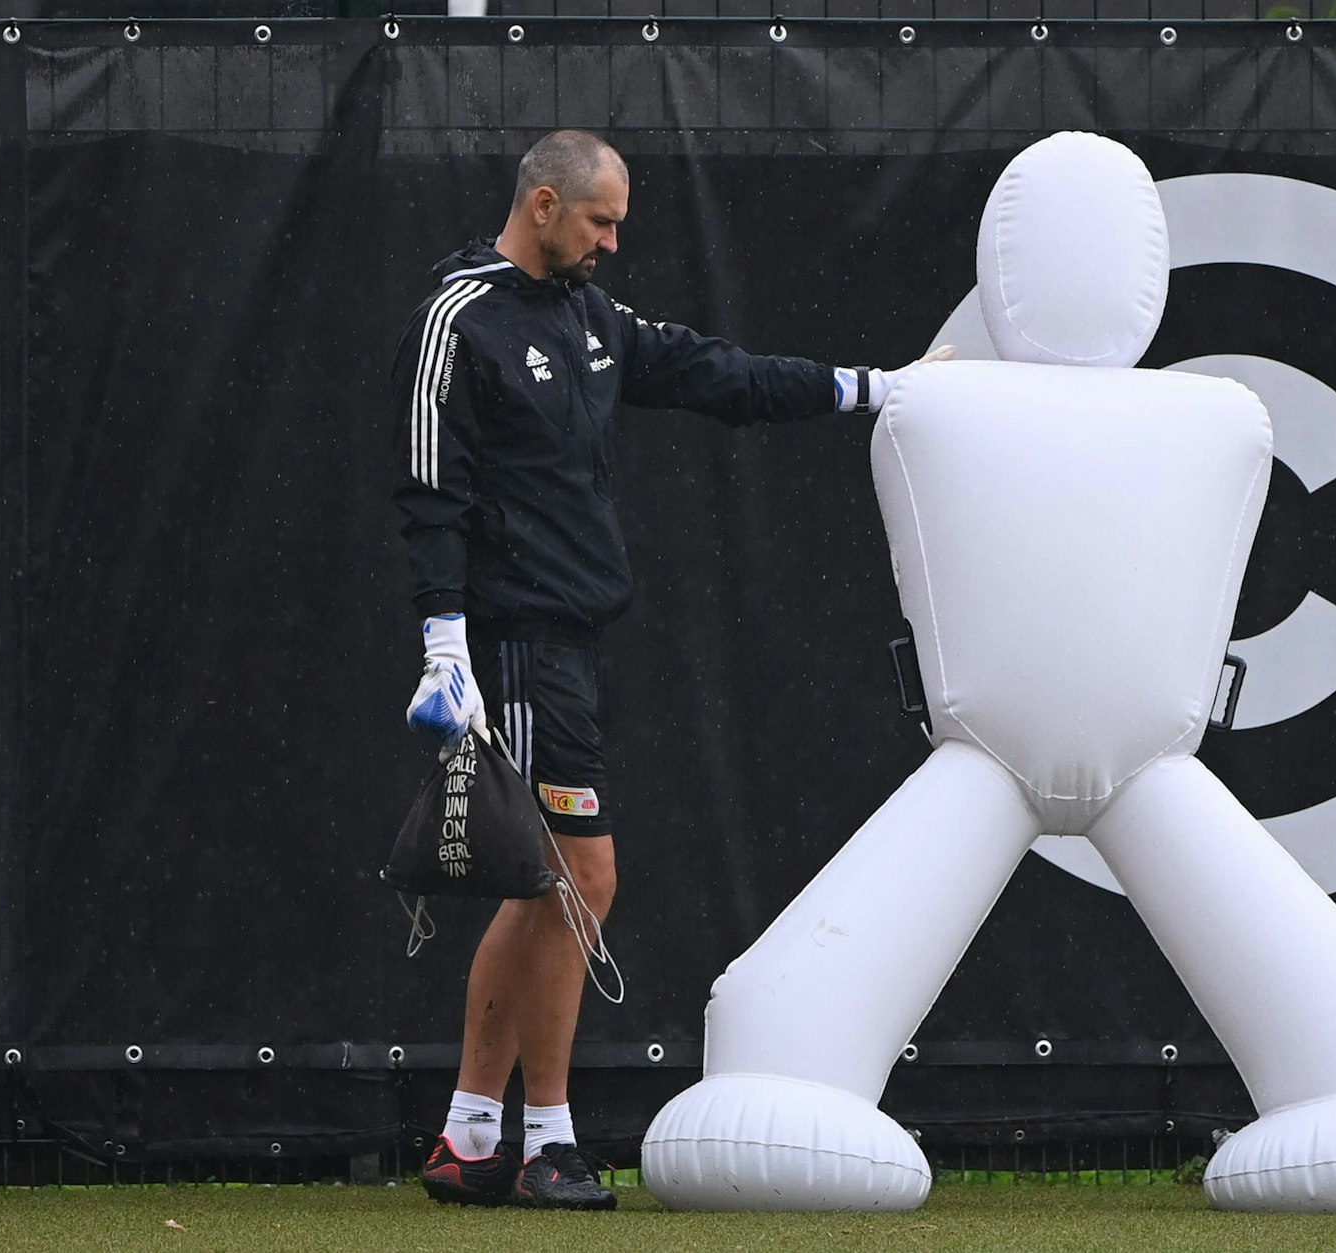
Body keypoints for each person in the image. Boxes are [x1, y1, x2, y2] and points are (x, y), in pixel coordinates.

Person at [391, 128, 949, 1211]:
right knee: (575, 876)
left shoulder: (592, 318)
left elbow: (714, 374)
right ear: (542, 204)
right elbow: (429, 490)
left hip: (573, 638)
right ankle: (545, 1138)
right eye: (599, 221)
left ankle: (468, 1135)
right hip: (507, 639)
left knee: (543, 881)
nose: (611, 241)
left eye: (619, 224)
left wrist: (873, 389)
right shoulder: (460, 316)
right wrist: (442, 644)